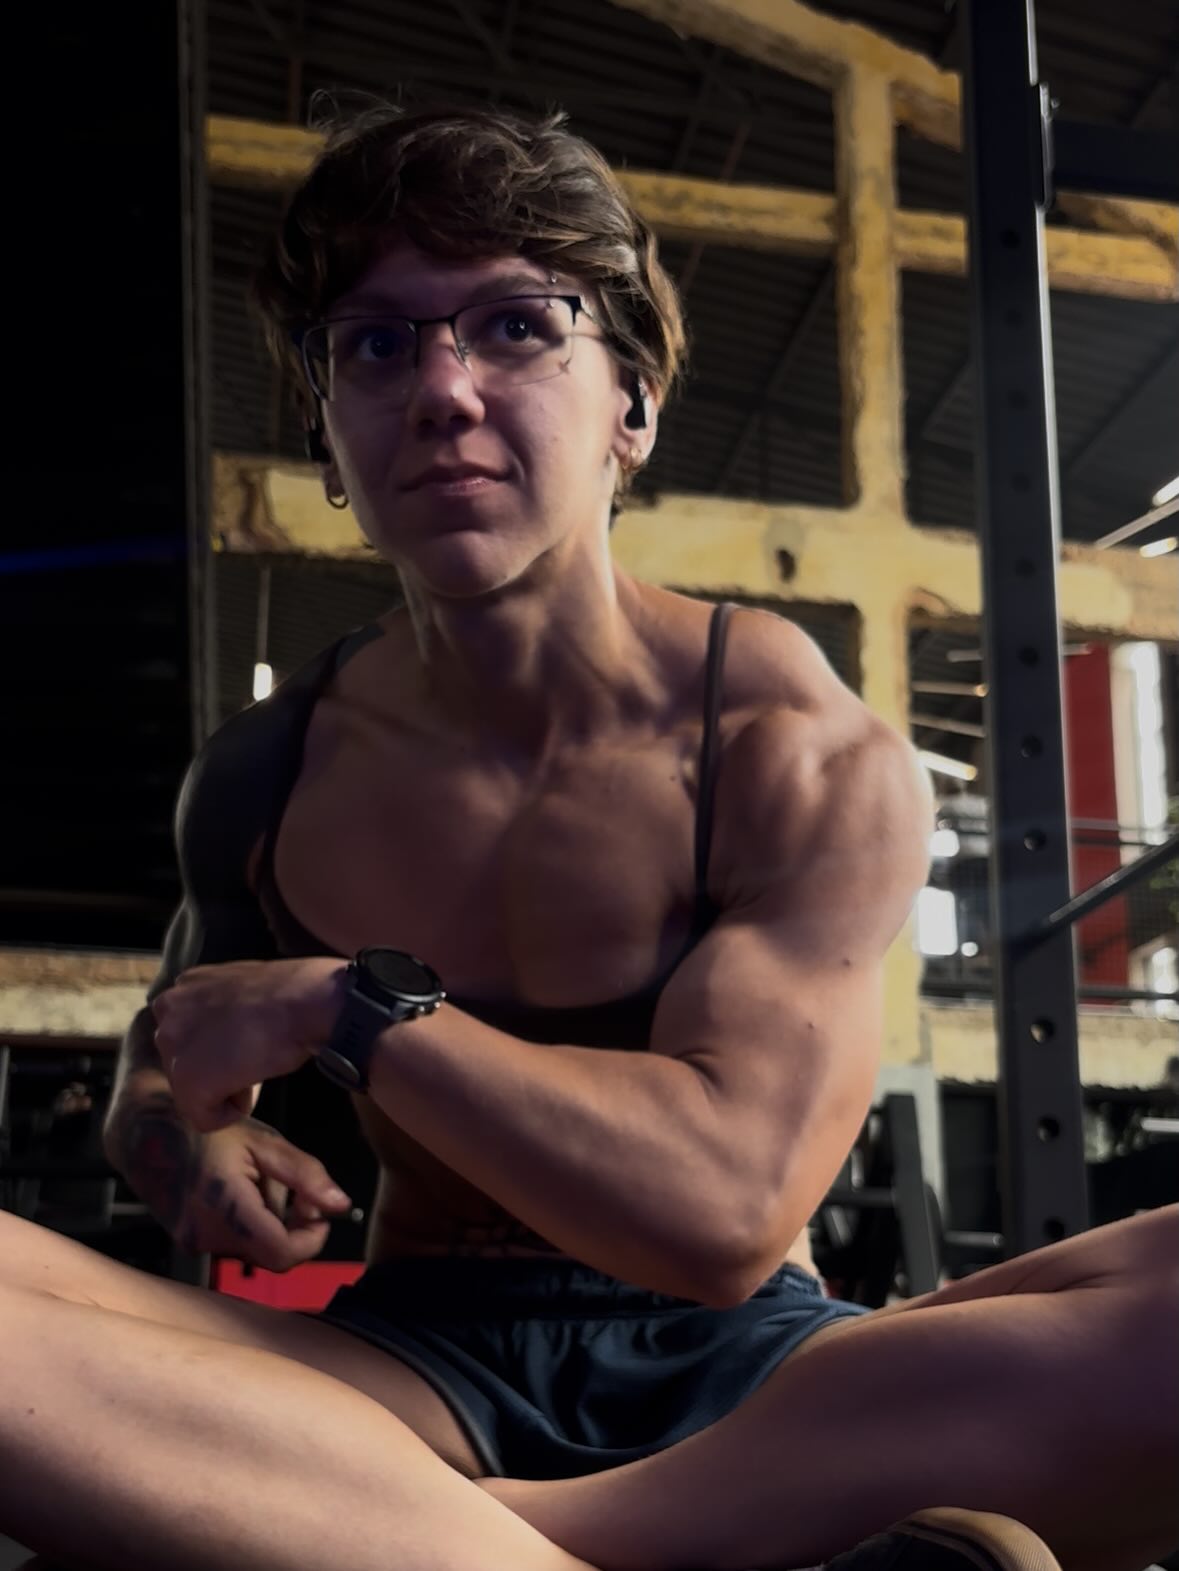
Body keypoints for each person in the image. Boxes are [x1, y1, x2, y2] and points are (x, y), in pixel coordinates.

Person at [1, 103, 1175, 1571]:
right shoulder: (266, 770)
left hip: (758, 1385)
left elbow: (721, 1219)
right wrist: (185, 1130)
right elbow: (169, 1063)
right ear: (327, 433)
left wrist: (345, 1012)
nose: (442, 390)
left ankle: (494, 1544)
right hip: (404, 1375)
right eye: (376, 345)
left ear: (634, 407)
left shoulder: (787, 745)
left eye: (515, 328)